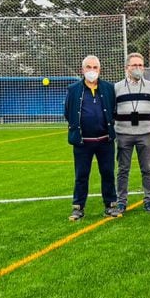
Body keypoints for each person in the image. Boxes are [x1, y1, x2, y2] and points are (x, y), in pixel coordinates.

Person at [63, 55, 120, 221]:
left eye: (95, 67)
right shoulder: (73, 89)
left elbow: (113, 110)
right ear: (83, 70)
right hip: (83, 142)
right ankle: (78, 208)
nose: (92, 71)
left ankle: (110, 205)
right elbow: (68, 113)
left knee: (108, 173)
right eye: (89, 67)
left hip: (105, 141)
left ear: (100, 70)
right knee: (81, 175)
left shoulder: (109, 88)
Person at [113, 53, 150, 213]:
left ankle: (148, 200)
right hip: (123, 133)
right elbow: (112, 111)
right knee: (123, 169)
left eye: (140, 65)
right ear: (127, 68)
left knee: (147, 168)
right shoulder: (117, 88)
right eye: (134, 65)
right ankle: (121, 202)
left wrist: (146, 122)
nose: (138, 68)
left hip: (145, 133)